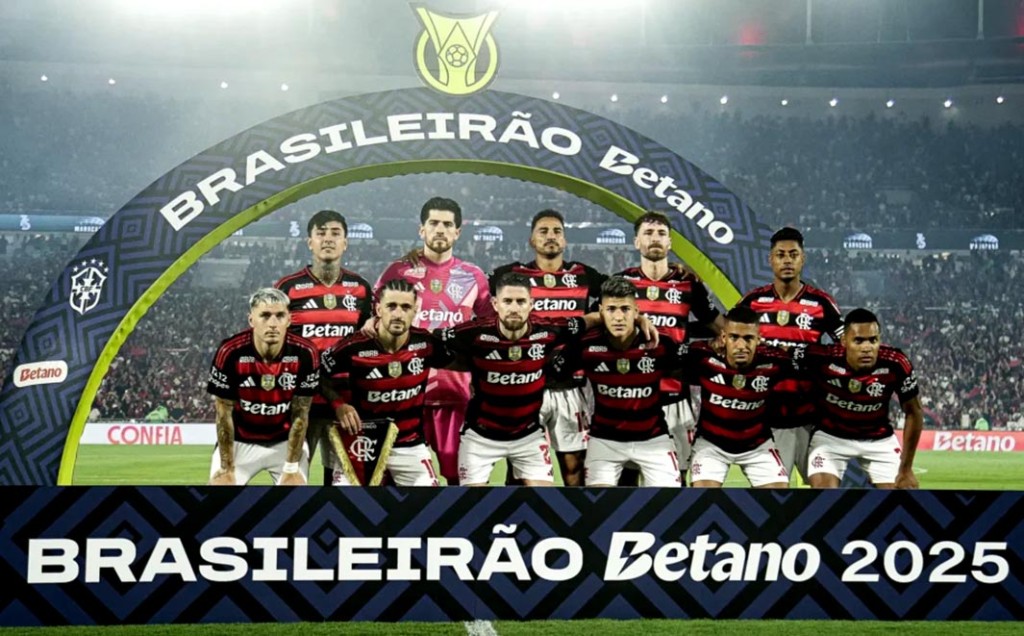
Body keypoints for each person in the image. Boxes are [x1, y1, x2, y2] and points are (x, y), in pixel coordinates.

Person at [375, 197, 493, 485]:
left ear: (457, 232)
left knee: (457, 479)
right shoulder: (398, 272)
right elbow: (374, 319)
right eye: (434, 223)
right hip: (403, 395)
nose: (440, 229)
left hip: (455, 394)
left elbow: (488, 331)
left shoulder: (473, 276)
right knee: (392, 480)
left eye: (447, 224)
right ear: (422, 229)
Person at [441, 272, 597, 487]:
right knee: (472, 502)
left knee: (545, 500)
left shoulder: (548, 331)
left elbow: (591, 320)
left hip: (528, 437)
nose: (514, 308)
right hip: (480, 437)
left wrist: (639, 319)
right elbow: (428, 341)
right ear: (495, 304)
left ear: (531, 304)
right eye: (507, 301)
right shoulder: (473, 333)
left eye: (521, 301)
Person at [491, 209, 606, 486]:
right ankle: (516, 513)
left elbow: (620, 298)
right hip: (525, 383)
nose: (551, 236)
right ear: (532, 240)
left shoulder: (585, 275)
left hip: (570, 384)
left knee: (574, 466)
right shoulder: (511, 274)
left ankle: (575, 513)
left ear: (564, 240)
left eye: (557, 231)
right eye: (543, 231)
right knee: (521, 468)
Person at [617, 211, 724, 484]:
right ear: (636, 242)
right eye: (648, 233)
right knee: (626, 483)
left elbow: (720, 328)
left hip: (675, 396)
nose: (655, 238)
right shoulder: (620, 284)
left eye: (661, 234)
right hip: (630, 397)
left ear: (670, 243)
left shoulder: (688, 285)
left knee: (677, 480)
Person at [735, 227, 843, 485]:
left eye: (793, 255)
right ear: (770, 259)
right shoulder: (752, 302)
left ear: (802, 259)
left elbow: (846, 349)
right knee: (774, 495)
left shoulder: (821, 303)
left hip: (812, 418)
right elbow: (730, 340)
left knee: (827, 491)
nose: (787, 260)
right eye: (780, 255)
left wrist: (806, 354)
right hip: (768, 418)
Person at [320, 280, 453, 486]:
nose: (398, 314)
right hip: (362, 442)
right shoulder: (353, 346)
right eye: (391, 306)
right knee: (345, 500)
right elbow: (319, 375)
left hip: (409, 443)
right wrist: (339, 404)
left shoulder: (426, 343)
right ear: (378, 309)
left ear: (415, 311)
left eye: (406, 307)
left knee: (429, 501)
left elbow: (459, 360)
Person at [554, 277, 682, 487]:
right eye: (611, 309)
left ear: (636, 311)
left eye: (625, 309)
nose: (619, 317)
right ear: (601, 312)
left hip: (654, 439)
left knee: (669, 500)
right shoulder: (585, 344)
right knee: (598, 500)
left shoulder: (660, 343)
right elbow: (554, 368)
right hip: (604, 441)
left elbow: (689, 368)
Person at [275, 210, 373, 484]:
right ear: (310, 242)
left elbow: (366, 348)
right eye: (320, 233)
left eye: (335, 233)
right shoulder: (288, 288)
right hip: (300, 404)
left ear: (345, 242)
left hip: (348, 406)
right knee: (293, 482)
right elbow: (282, 353)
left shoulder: (361, 288)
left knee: (342, 485)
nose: (328, 239)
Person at [206, 288, 320, 485]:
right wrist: (226, 467)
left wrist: (291, 468)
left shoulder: (305, 352)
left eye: (280, 316)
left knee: (296, 495)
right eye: (265, 316)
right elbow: (223, 414)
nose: (273, 323)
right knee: (220, 493)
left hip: (285, 442)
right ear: (251, 320)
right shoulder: (230, 351)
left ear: (289, 320)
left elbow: (300, 414)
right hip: (240, 442)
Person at [801, 309, 923, 489]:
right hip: (830, 438)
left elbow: (914, 412)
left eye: (873, 340)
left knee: (900, 495)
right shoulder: (822, 357)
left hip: (879, 440)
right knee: (824, 494)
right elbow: (781, 355)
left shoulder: (895, 363)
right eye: (858, 341)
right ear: (844, 341)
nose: (867, 348)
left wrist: (906, 469)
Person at [683, 307, 792, 489]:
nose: (741, 346)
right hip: (711, 445)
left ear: (758, 339)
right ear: (723, 337)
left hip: (758, 446)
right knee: (702, 496)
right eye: (734, 337)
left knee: (778, 497)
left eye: (748, 338)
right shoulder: (701, 355)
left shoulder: (776, 361)